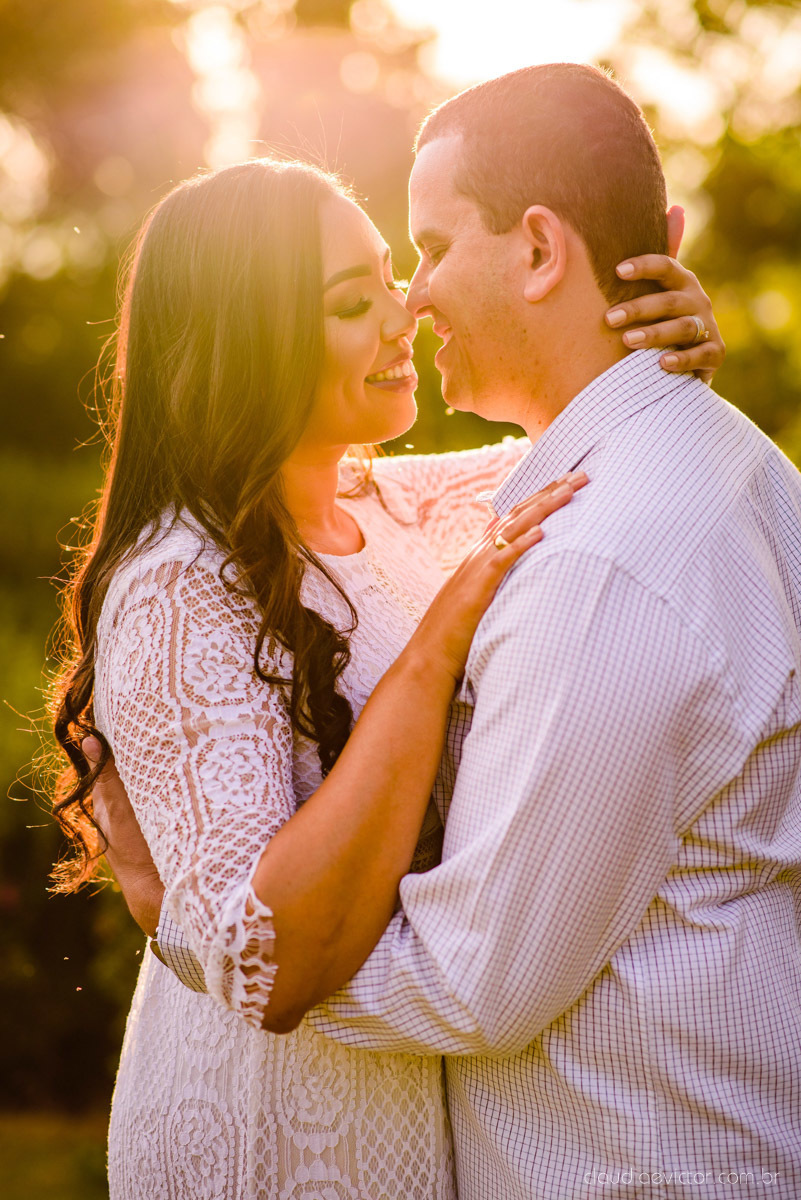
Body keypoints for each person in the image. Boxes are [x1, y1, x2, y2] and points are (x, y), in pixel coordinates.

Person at [96, 65, 801, 1199]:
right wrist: (228, 947)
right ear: (247, 334)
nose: (407, 308)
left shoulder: (457, 515)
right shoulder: (189, 579)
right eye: (354, 297)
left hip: (490, 1129)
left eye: (411, 262)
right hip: (274, 1128)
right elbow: (591, 436)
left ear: (535, 248)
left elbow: (587, 432)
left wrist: (665, 364)